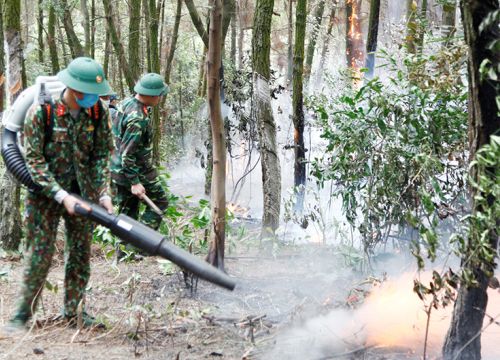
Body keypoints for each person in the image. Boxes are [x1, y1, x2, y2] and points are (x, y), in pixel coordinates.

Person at [7, 57, 114, 330]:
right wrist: (60, 195)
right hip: (44, 196)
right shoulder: (42, 112)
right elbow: (34, 161)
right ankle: (22, 316)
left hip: (85, 196)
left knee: (80, 254)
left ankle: (74, 312)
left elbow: (102, 155)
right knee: (39, 256)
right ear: (75, 89)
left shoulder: (98, 112)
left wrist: (103, 193)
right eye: (90, 93)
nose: (94, 98)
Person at [111, 73, 169, 237]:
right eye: (159, 95)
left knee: (127, 212)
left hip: (119, 169)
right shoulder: (137, 118)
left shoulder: (127, 102)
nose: (160, 98)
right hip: (133, 170)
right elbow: (127, 154)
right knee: (160, 201)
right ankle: (142, 242)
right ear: (151, 95)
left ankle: (125, 251)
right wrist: (135, 182)